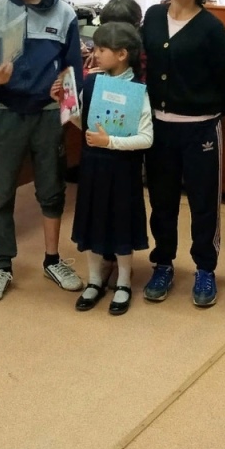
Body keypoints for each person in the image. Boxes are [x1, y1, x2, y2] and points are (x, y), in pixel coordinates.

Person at [0, 0, 84, 305]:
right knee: (1, 191)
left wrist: (66, 88)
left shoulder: (64, 14)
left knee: (52, 190)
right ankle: (3, 265)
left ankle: (52, 260)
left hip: (48, 116)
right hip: (5, 113)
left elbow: (73, 68)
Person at [141, 0, 225, 307]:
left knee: (203, 203)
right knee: (162, 201)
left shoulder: (212, 28)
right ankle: (163, 263)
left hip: (200, 129)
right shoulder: (153, 16)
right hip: (158, 128)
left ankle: (205, 269)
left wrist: (207, 112)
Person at [71, 22, 152, 315]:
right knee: (92, 222)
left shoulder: (137, 91)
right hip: (93, 167)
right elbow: (83, 124)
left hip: (123, 171)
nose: (95, 54)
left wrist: (110, 142)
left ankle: (124, 281)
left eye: (102, 49)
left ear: (122, 54)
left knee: (121, 224)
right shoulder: (92, 82)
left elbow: (146, 138)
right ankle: (94, 279)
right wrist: (67, 106)